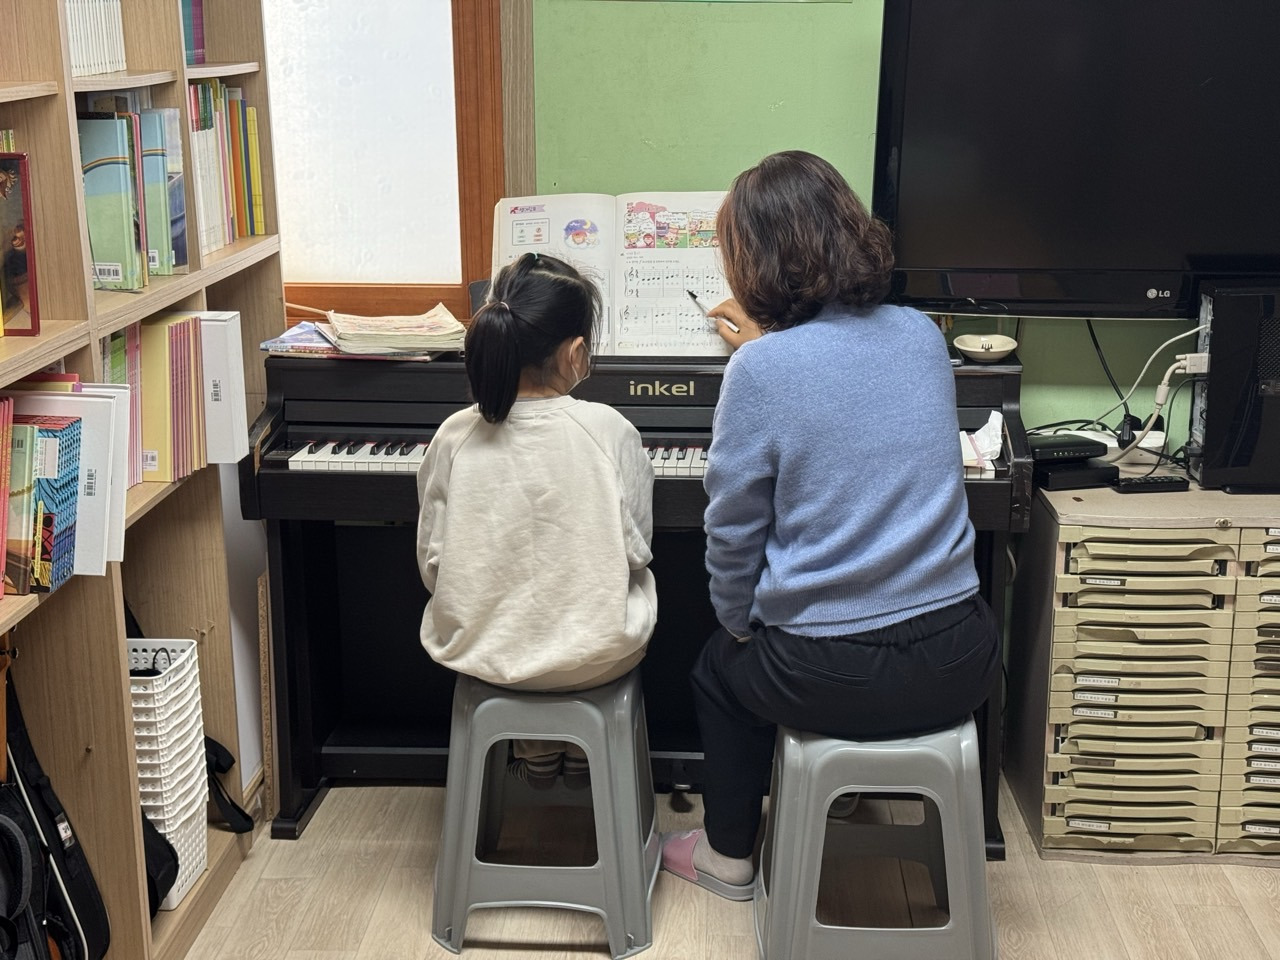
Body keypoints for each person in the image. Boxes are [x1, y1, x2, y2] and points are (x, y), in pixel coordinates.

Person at [660, 151, 1001, 899]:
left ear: (755, 261)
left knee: (718, 669)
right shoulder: (921, 335)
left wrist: (738, 624)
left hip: (830, 674)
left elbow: (733, 534)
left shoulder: (760, 371)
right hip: (960, 658)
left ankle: (727, 857)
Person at [416, 252, 657, 789]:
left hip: (483, 651)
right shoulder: (609, 429)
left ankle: (536, 748)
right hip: (597, 658)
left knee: (507, 614)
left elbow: (433, 564)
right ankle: (583, 748)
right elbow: (636, 549)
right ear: (576, 353)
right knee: (626, 585)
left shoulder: (455, 435)